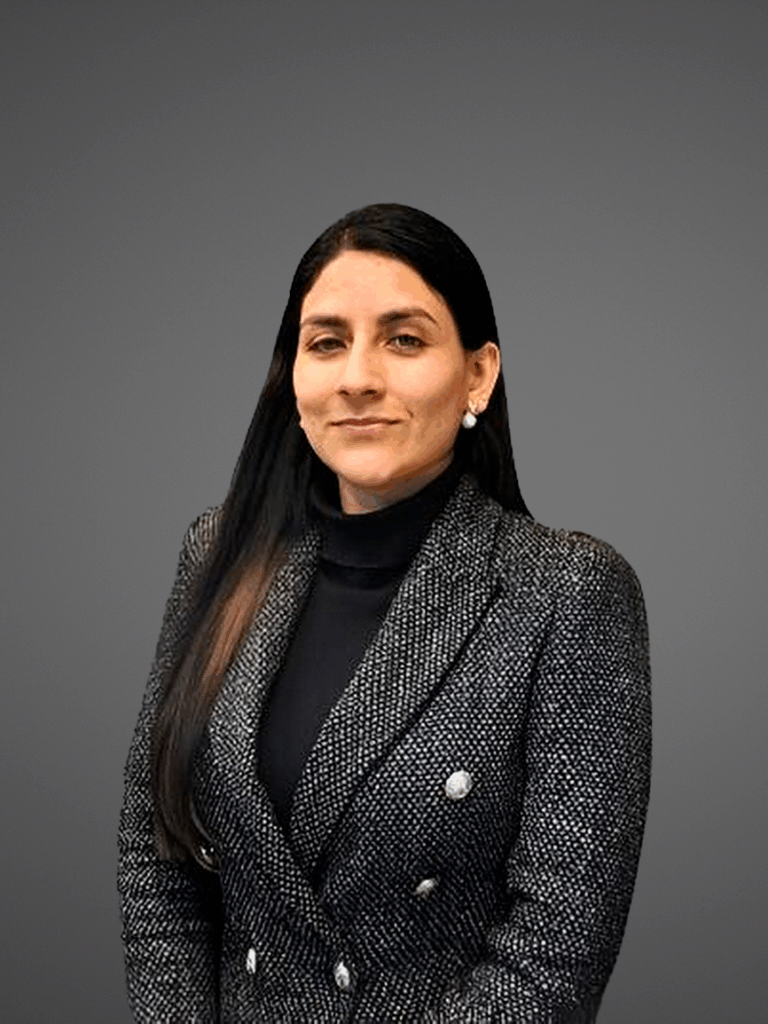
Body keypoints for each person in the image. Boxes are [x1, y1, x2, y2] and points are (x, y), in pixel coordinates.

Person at [117, 202, 651, 1023]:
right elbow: (158, 856)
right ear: (293, 377)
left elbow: (555, 951)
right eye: (327, 342)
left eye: (404, 340)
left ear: (478, 374)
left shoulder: (566, 592)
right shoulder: (220, 555)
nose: (358, 377)